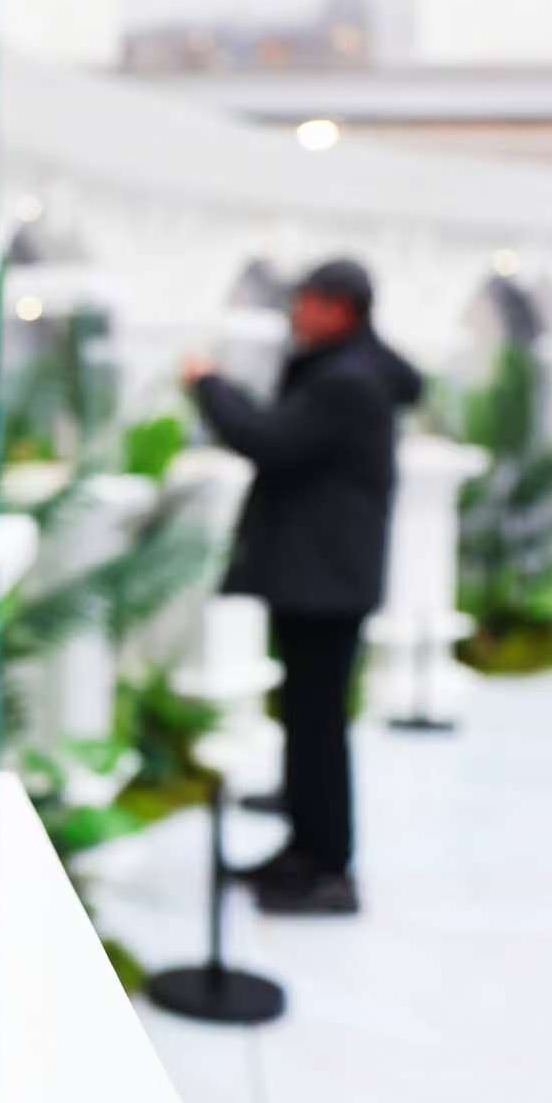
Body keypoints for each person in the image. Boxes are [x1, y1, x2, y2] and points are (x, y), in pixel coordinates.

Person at [182, 258, 422, 915]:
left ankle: (327, 870)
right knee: (308, 721)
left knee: (318, 728)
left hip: (325, 579)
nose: (295, 312)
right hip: (323, 576)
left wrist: (208, 385)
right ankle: (304, 851)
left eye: (306, 301)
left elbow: (267, 440)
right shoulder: (349, 369)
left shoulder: (346, 380)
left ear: (339, 308)